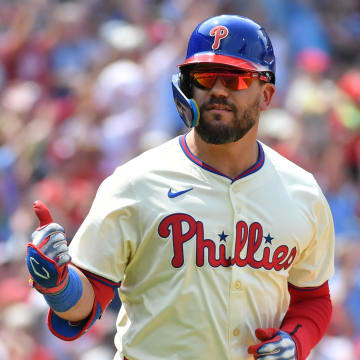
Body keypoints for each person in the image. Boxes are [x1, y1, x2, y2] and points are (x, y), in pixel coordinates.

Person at [26, 15, 335, 360]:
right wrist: (59, 286)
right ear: (187, 88)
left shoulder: (302, 192)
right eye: (204, 77)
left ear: (266, 95)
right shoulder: (136, 181)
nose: (217, 89)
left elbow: (313, 298)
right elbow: (89, 299)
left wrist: (295, 341)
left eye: (235, 79)